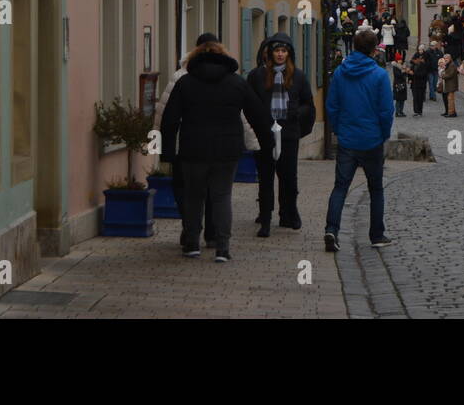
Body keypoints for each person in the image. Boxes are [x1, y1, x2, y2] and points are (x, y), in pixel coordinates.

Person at [161, 41, 275, 261]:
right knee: (222, 196)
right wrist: (267, 143)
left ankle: (192, 244)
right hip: (227, 149)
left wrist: (167, 152)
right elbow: (258, 115)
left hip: (193, 148)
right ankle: (222, 248)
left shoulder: (185, 83)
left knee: (194, 196)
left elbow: (170, 119)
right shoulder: (236, 83)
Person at [324, 27, 394, 251]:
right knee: (376, 189)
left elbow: (332, 106)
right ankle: (376, 235)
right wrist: (383, 134)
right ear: (374, 49)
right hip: (372, 139)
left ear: (354, 47)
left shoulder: (340, 73)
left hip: (347, 139)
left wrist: (338, 130)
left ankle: (331, 230)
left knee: (340, 188)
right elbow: (386, 111)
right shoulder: (380, 75)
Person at [247, 32, 316, 237]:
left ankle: (289, 213)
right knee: (266, 178)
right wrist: (259, 121)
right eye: (276, 51)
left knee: (289, 176)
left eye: (283, 51)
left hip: (288, 133)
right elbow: (249, 103)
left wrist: (296, 113)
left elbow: (308, 104)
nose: (280, 54)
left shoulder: (298, 76)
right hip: (265, 133)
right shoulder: (257, 76)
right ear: (269, 53)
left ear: (289, 54)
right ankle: (265, 218)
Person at [156, 32, 220, 248]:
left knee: (186, 188)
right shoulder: (183, 76)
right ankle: (207, 232)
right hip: (203, 143)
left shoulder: (181, 76)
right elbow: (165, 112)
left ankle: (192, 228)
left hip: (185, 143)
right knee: (206, 189)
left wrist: (161, 144)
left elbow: (163, 114)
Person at [407, 49, 428, 116]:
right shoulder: (413, 65)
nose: (416, 60)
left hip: (421, 84)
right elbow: (410, 73)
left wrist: (413, 74)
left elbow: (423, 74)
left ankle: (419, 111)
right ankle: (416, 111)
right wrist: (409, 78)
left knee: (420, 98)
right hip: (414, 84)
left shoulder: (424, 65)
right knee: (415, 97)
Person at [390, 52, 409, 117]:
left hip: (403, 84)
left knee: (403, 99)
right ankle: (397, 112)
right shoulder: (395, 67)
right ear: (396, 60)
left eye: (401, 59)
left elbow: (405, 75)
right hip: (397, 84)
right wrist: (404, 71)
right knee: (398, 99)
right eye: (399, 60)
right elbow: (398, 75)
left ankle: (401, 111)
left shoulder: (403, 66)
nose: (400, 61)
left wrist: (405, 72)